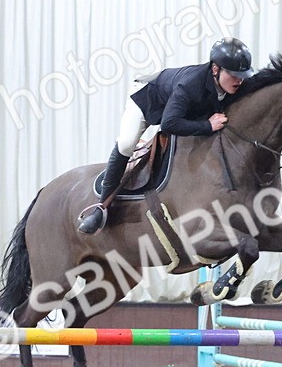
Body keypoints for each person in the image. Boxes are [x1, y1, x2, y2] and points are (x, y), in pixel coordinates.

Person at [76, 37, 257, 235]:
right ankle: (101, 207)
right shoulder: (190, 85)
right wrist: (207, 125)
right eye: (234, 75)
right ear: (215, 69)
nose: (239, 80)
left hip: (175, 106)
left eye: (242, 75)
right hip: (146, 99)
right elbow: (169, 124)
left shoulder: (233, 84)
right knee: (127, 143)